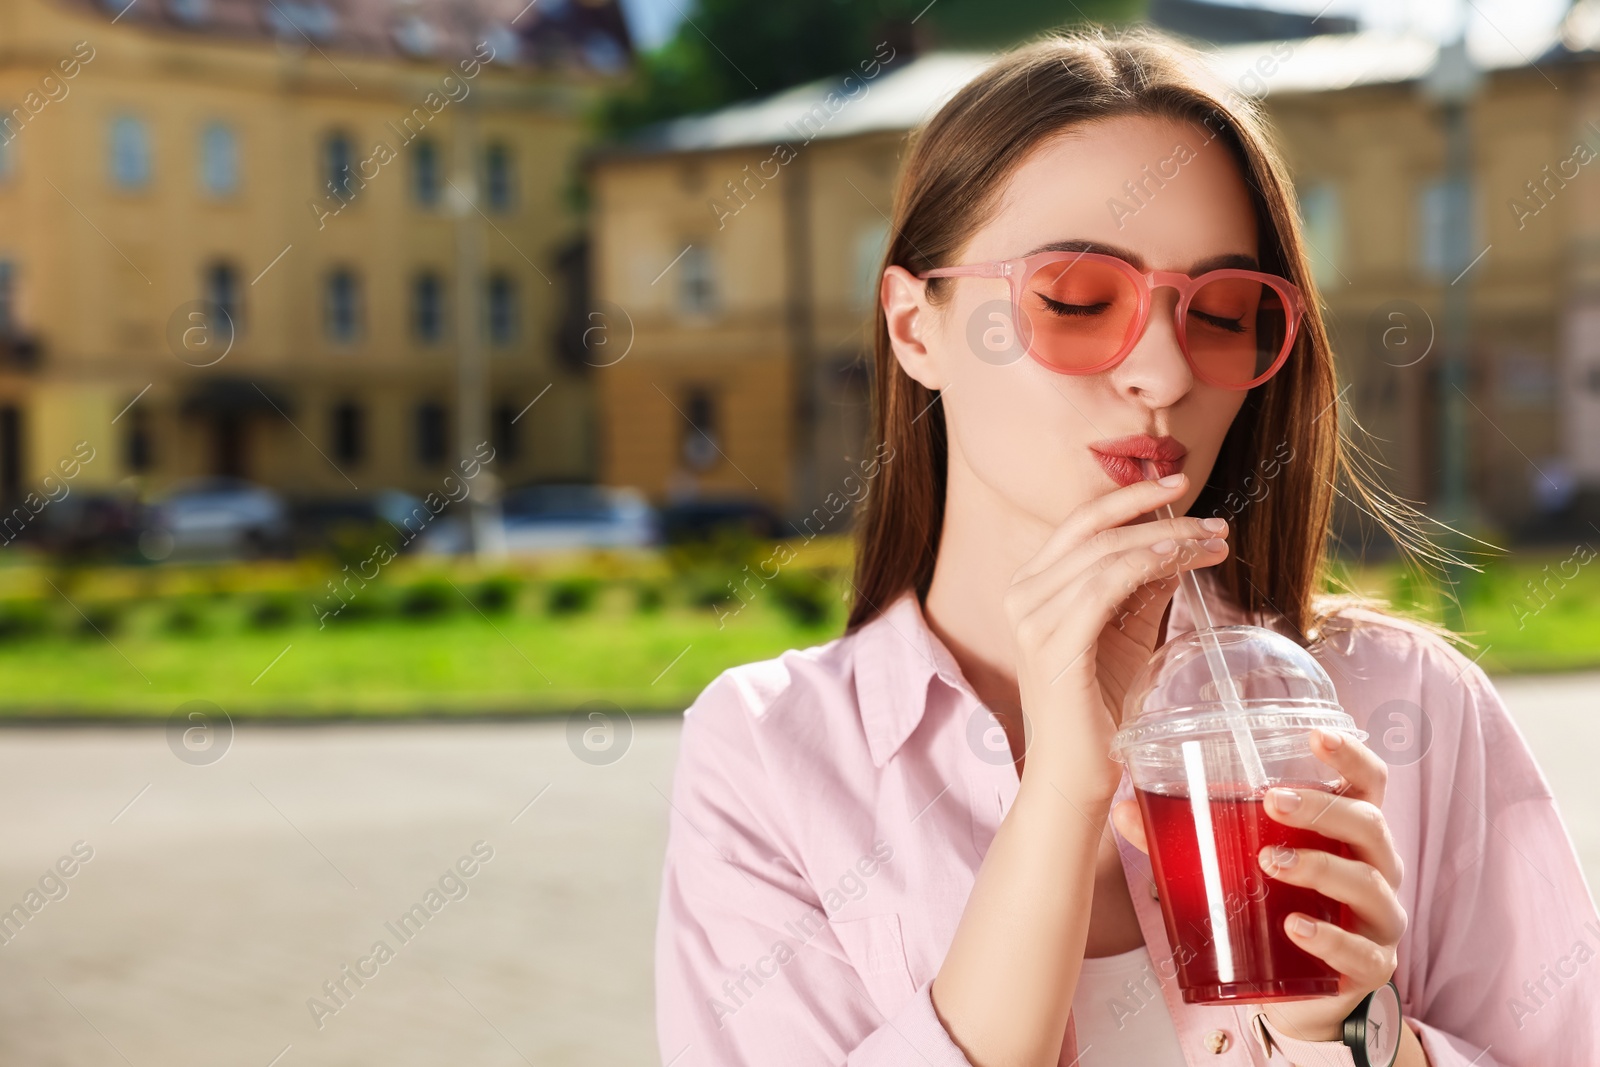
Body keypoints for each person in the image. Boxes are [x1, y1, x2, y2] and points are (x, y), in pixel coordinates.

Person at [655, 27, 1600, 1067]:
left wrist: (1356, 1032)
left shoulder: (1402, 706)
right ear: (915, 326)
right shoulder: (774, 750)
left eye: (1226, 311)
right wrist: (1062, 791)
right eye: (1074, 299)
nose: (1161, 371)